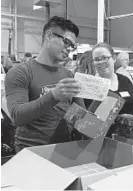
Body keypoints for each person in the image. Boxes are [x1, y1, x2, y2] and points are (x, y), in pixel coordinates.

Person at [5, 16, 85, 153]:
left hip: (64, 149)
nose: (69, 49)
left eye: (72, 46)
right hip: (32, 151)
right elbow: (17, 116)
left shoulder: (68, 75)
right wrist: (54, 95)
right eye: (66, 42)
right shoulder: (20, 72)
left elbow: (80, 115)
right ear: (49, 36)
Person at [92, 43, 133, 116]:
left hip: (128, 127)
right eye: (96, 59)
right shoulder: (90, 85)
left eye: (104, 58)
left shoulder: (125, 80)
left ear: (114, 58)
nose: (101, 62)